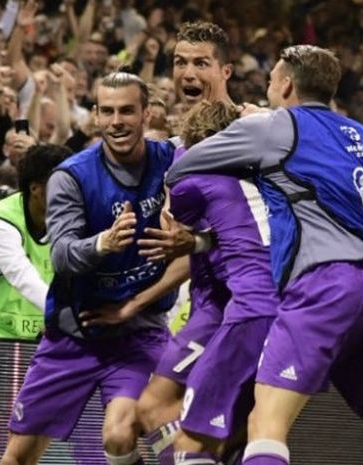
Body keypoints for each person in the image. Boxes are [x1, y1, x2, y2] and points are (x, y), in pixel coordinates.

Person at [167, 44, 363, 465]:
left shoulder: (273, 126)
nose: (269, 87)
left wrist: (249, 140)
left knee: (265, 424)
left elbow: (184, 166)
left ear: (286, 84)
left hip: (325, 282)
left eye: (272, 79)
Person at [0, 72, 175, 465]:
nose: (117, 121)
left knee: (119, 435)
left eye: (127, 111)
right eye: (108, 111)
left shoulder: (172, 161)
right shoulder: (71, 176)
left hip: (138, 335)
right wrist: (103, 243)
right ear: (95, 116)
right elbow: (61, 255)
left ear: (146, 113)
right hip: (73, 335)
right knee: (17, 457)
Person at [131, 21, 236, 465]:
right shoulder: (177, 149)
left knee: (177, 417)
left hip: (244, 303)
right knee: (161, 418)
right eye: (180, 63)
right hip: (205, 301)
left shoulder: (253, 132)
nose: (188, 72)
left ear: (225, 71)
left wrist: (135, 304)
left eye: (201, 63)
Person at [167, 100, 279, 465]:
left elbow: (173, 224)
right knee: (257, 428)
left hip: (250, 309)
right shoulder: (273, 176)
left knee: (189, 439)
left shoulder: (193, 179)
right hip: (297, 310)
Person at [0, 144, 71, 340]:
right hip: (3, 339)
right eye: (64, 184)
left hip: (40, 341)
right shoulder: (3, 222)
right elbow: (23, 277)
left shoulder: (70, 219)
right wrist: (67, 317)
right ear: (36, 189)